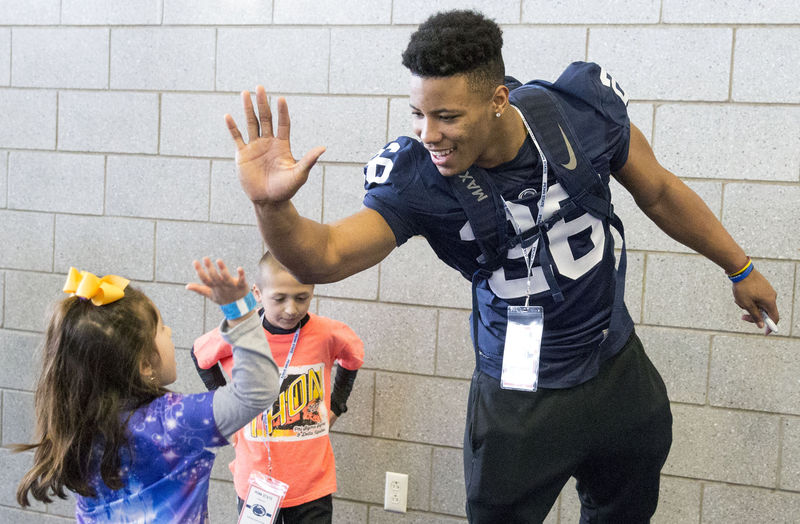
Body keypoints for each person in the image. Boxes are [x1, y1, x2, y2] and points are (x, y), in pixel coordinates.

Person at [223, 9, 779, 523]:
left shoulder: (578, 110)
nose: (428, 134)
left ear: (497, 99)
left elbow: (657, 190)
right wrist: (272, 205)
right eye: (418, 113)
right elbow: (323, 255)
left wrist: (739, 267)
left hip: (615, 368)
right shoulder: (420, 176)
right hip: (518, 399)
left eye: (446, 116)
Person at [15, 258, 280, 523]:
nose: (170, 331)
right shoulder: (172, 421)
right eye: (161, 329)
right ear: (143, 363)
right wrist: (241, 312)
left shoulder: (73, 425)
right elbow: (256, 390)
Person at [191, 251, 364, 523]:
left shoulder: (328, 334)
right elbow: (200, 356)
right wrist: (227, 414)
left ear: (312, 290)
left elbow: (353, 359)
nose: (291, 309)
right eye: (280, 298)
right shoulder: (243, 333)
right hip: (256, 481)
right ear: (258, 293)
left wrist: (337, 406)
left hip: (311, 485)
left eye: (301, 297)